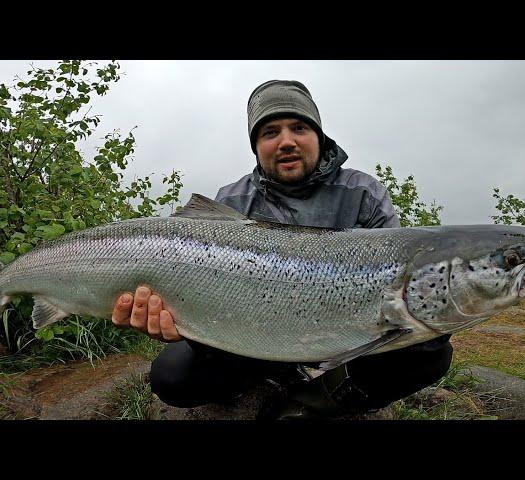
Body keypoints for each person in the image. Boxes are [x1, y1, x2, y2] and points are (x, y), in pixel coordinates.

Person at [110, 80, 453, 419]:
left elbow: (396, 278)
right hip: (247, 340)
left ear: (319, 136)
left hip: (350, 342)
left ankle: (318, 398)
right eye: (270, 132)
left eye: (299, 127)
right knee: (171, 377)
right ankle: (268, 382)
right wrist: (171, 318)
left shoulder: (363, 192)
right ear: (256, 146)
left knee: (429, 350)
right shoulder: (230, 200)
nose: (286, 141)